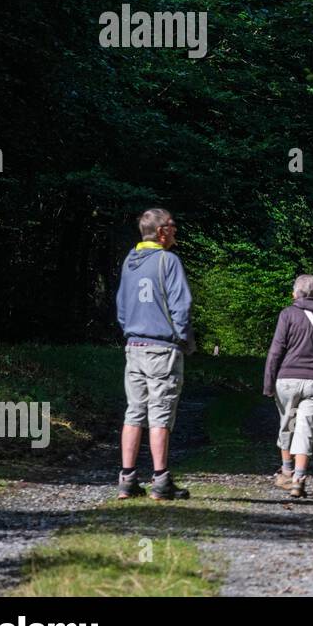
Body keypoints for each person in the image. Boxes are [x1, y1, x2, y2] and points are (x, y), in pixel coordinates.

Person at [114, 208, 194, 501]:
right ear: (161, 232)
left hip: (133, 345)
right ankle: (160, 481)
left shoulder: (129, 262)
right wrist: (182, 339)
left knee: (134, 412)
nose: (176, 231)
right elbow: (181, 306)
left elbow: (122, 307)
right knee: (160, 413)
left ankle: (127, 479)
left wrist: (132, 330)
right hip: (162, 347)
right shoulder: (168, 261)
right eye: (173, 226)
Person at [263, 274, 313, 499]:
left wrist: (268, 383)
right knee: (305, 428)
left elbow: (276, 350)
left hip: (287, 380)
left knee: (288, 422)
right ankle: (299, 479)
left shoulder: (287, 314)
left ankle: (286, 470)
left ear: (295, 293)